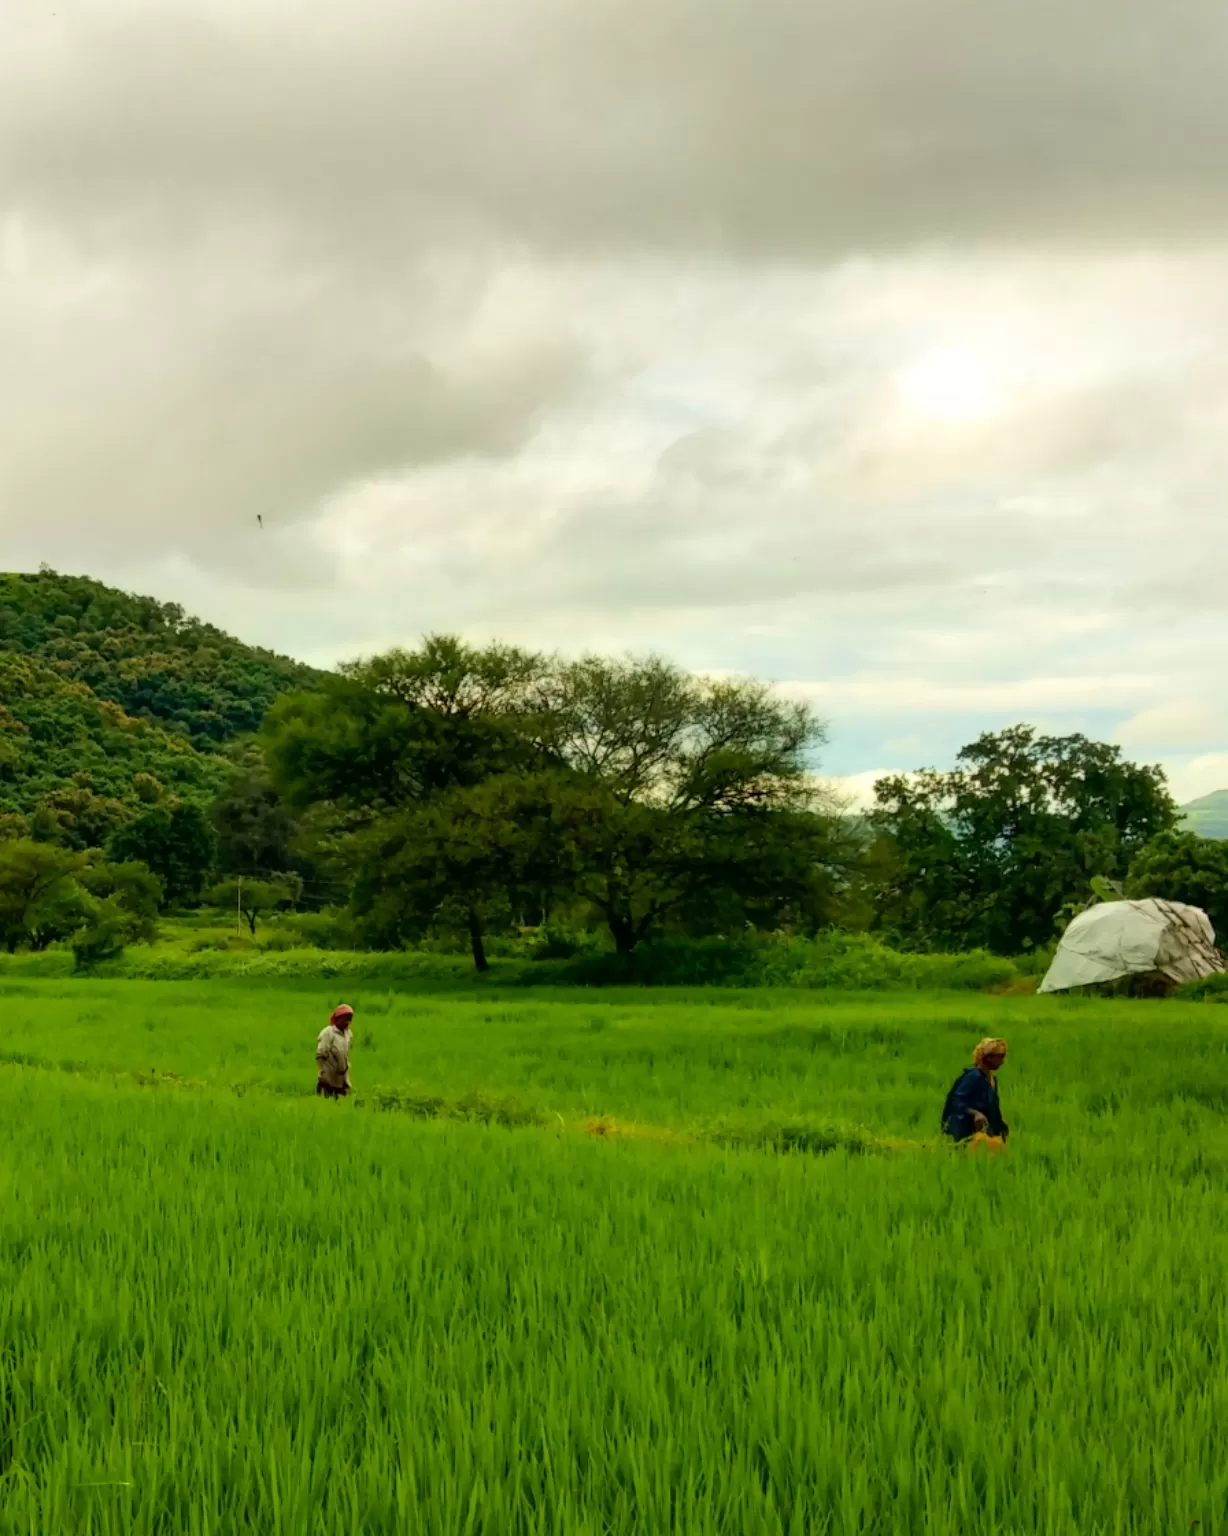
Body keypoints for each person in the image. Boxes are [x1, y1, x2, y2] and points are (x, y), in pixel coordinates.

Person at [941, 1037, 1009, 1143]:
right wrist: (974, 1113)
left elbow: (991, 1107)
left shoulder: (992, 1080)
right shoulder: (973, 1076)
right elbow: (955, 1101)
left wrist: (1000, 1124)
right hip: (964, 1131)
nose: (1002, 1062)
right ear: (988, 1058)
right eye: (1000, 1057)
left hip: (983, 1133)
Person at [316, 1004, 355, 1099]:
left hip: (342, 1076)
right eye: (345, 1019)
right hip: (329, 1075)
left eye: (349, 1019)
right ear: (338, 1018)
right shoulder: (328, 1033)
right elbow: (320, 1055)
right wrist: (323, 1072)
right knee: (328, 1100)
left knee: (343, 1101)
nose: (347, 1022)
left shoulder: (348, 1033)